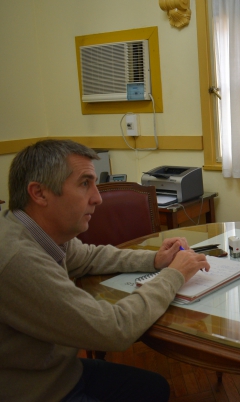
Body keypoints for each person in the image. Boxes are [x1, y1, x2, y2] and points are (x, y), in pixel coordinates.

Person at [0, 139, 211, 402]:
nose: (98, 198)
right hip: (41, 393)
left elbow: (89, 256)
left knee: (154, 387)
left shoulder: (37, 232)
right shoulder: (17, 259)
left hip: (61, 372)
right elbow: (114, 329)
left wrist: (155, 260)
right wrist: (174, 275)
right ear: (40, 193)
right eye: (84, 183)